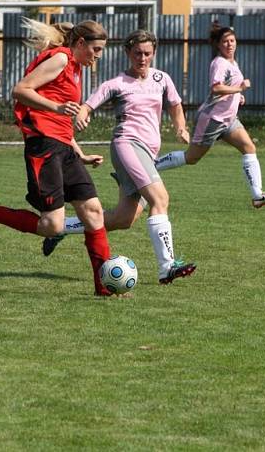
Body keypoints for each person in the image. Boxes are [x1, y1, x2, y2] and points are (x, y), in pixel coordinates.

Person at [0, 17, 116, 297]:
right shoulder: (60, 58)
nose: (99, 55)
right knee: (52, 225)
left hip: (64, 149)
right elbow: (20, 90)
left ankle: (104, 286)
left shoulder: (76, 67)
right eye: (96, 49)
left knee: (93, 212)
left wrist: (79, 154)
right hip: (43, 147)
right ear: (80, 43)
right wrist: (58, 107)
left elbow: (61, 119)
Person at [42, 29, 196, 285]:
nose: (142, 58)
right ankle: (167, 267)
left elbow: (175, 105)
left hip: (148, 152)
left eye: (147, 53)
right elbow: (87, 105)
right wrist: (81, 116)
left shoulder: (162, 78)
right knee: (161, 198)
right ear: (127, 53)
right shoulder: (116, 84)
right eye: (137, 53)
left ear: (154, 53)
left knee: (123, 219)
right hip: (127, 145)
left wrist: (181, 127)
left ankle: (62, 228)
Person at [154, 22, 265, 208]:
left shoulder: (232, 63)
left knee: (249, 148)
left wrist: (238, 96)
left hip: (229, 120)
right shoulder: (219, 63)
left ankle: (257, 196)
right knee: (192, 158)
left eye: (232, 40)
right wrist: (239, 88)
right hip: (212, 119)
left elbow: (228, 88)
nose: (230, 44)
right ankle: (148, 168)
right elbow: (216, 88)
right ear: (218, 45)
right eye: (225, 41)